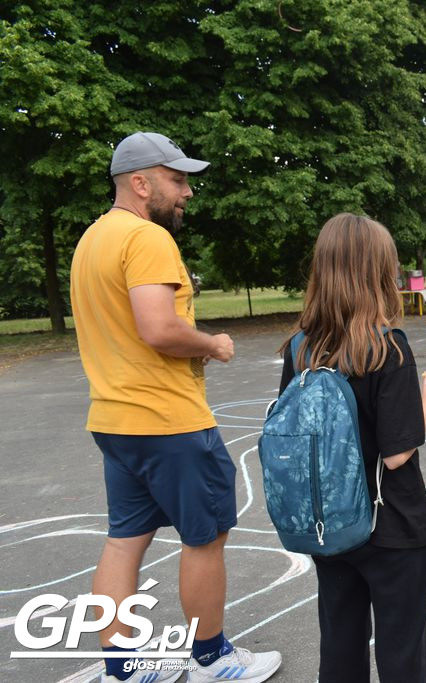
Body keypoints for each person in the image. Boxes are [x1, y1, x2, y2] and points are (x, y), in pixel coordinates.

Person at [70, 131, 282, 683]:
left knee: (124, 542)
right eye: (177, 179)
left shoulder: (92, 240)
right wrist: (213, 344)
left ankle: (125, 667)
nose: (187, 191)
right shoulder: (145, 238)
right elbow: (159, 329)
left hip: (115, 420)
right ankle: (212, 659)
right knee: (205, 539)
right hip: (168, 421)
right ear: (140, 183)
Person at [276, 213, 426, 682]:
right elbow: (397, 452)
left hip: (328, 522)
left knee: (340, 641)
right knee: (403, 648)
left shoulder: (301, 347)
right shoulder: (386, 347)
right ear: (377, 273)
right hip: (390, 523)